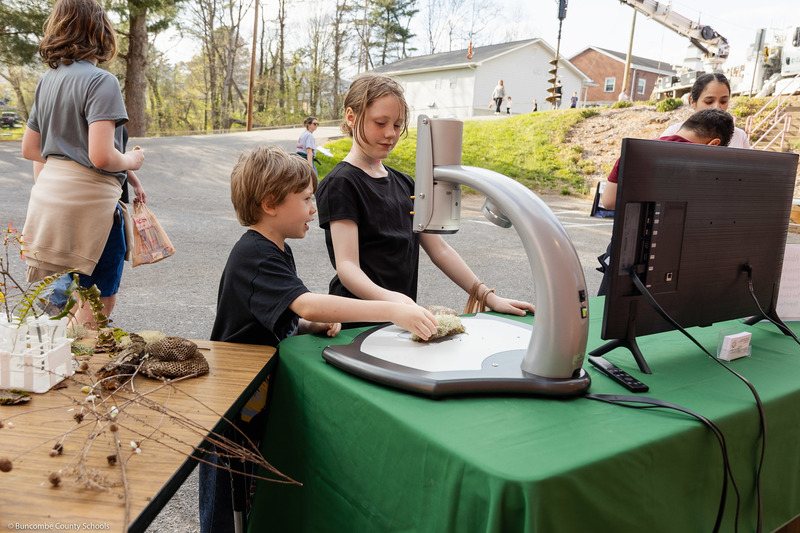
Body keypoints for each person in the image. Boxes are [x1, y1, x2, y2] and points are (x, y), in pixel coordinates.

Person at [200, 145, 438, 533]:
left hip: (254, 405)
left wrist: (305, 327)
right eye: (307, 199)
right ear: (270, 204)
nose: (315, 209)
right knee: (227, 510)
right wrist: (393, 309)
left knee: (252, 500)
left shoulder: (275, 250)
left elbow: (275, 313)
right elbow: (308, 303)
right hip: (234, 412)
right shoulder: (254, 255)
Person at [316, 73, 535, 329]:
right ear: (351, 117)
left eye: (397, 125)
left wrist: (487, 296)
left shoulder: (406, 183)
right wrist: (395, 303)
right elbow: (347, 267)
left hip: (400, 321)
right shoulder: (341, 183)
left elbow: (439, 249)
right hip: (354, 325)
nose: (390, 133)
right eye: (380, 122)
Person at [20, 0, 145, 328]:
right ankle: (78, 353)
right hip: (92, 209)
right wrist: (132, 160)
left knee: (65, 294)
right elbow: (101, 156)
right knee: (98, 301)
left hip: (49, 203)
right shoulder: (102, 82)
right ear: (101, 31)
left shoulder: (47, 80)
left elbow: (31, 148)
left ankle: (56, 349)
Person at [596, 107, 734, 296]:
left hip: (626, 249)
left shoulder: (636, 151)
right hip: (680, 256)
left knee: (608, 308)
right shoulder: (712, 167)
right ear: (715, 144)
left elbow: (609, 201)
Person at [660, 72, 750, 150]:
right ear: (693, 102)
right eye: (709, 101)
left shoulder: (740, 136)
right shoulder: (673, 133)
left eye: (723, 101)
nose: (717, 107)